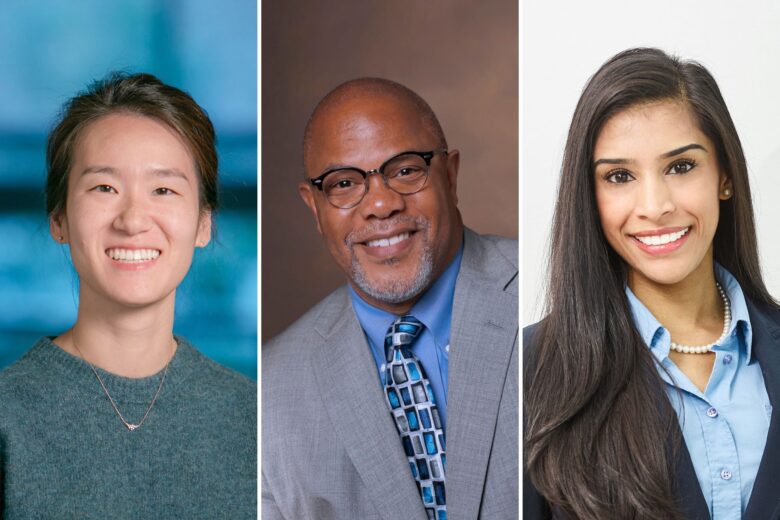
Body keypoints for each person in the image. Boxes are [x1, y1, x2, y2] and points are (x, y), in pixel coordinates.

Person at [524, 48, 780, 520]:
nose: (654, 205)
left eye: (680, 167)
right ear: (591, 196)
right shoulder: (528, 373)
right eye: (619, 176)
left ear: (724, 175)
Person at [0, 73, 256, 518]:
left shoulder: (253, 418)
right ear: (58, 218)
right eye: (104, 188)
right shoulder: (9, 417)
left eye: (164, 189)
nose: (134, 219)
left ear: (203, 224)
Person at [262, 78, 518, 519]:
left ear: (451, 176)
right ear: (314, 208)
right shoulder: (270, 391)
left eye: (404, 170)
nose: (380, 205)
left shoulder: (547, 291)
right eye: (344, 183)